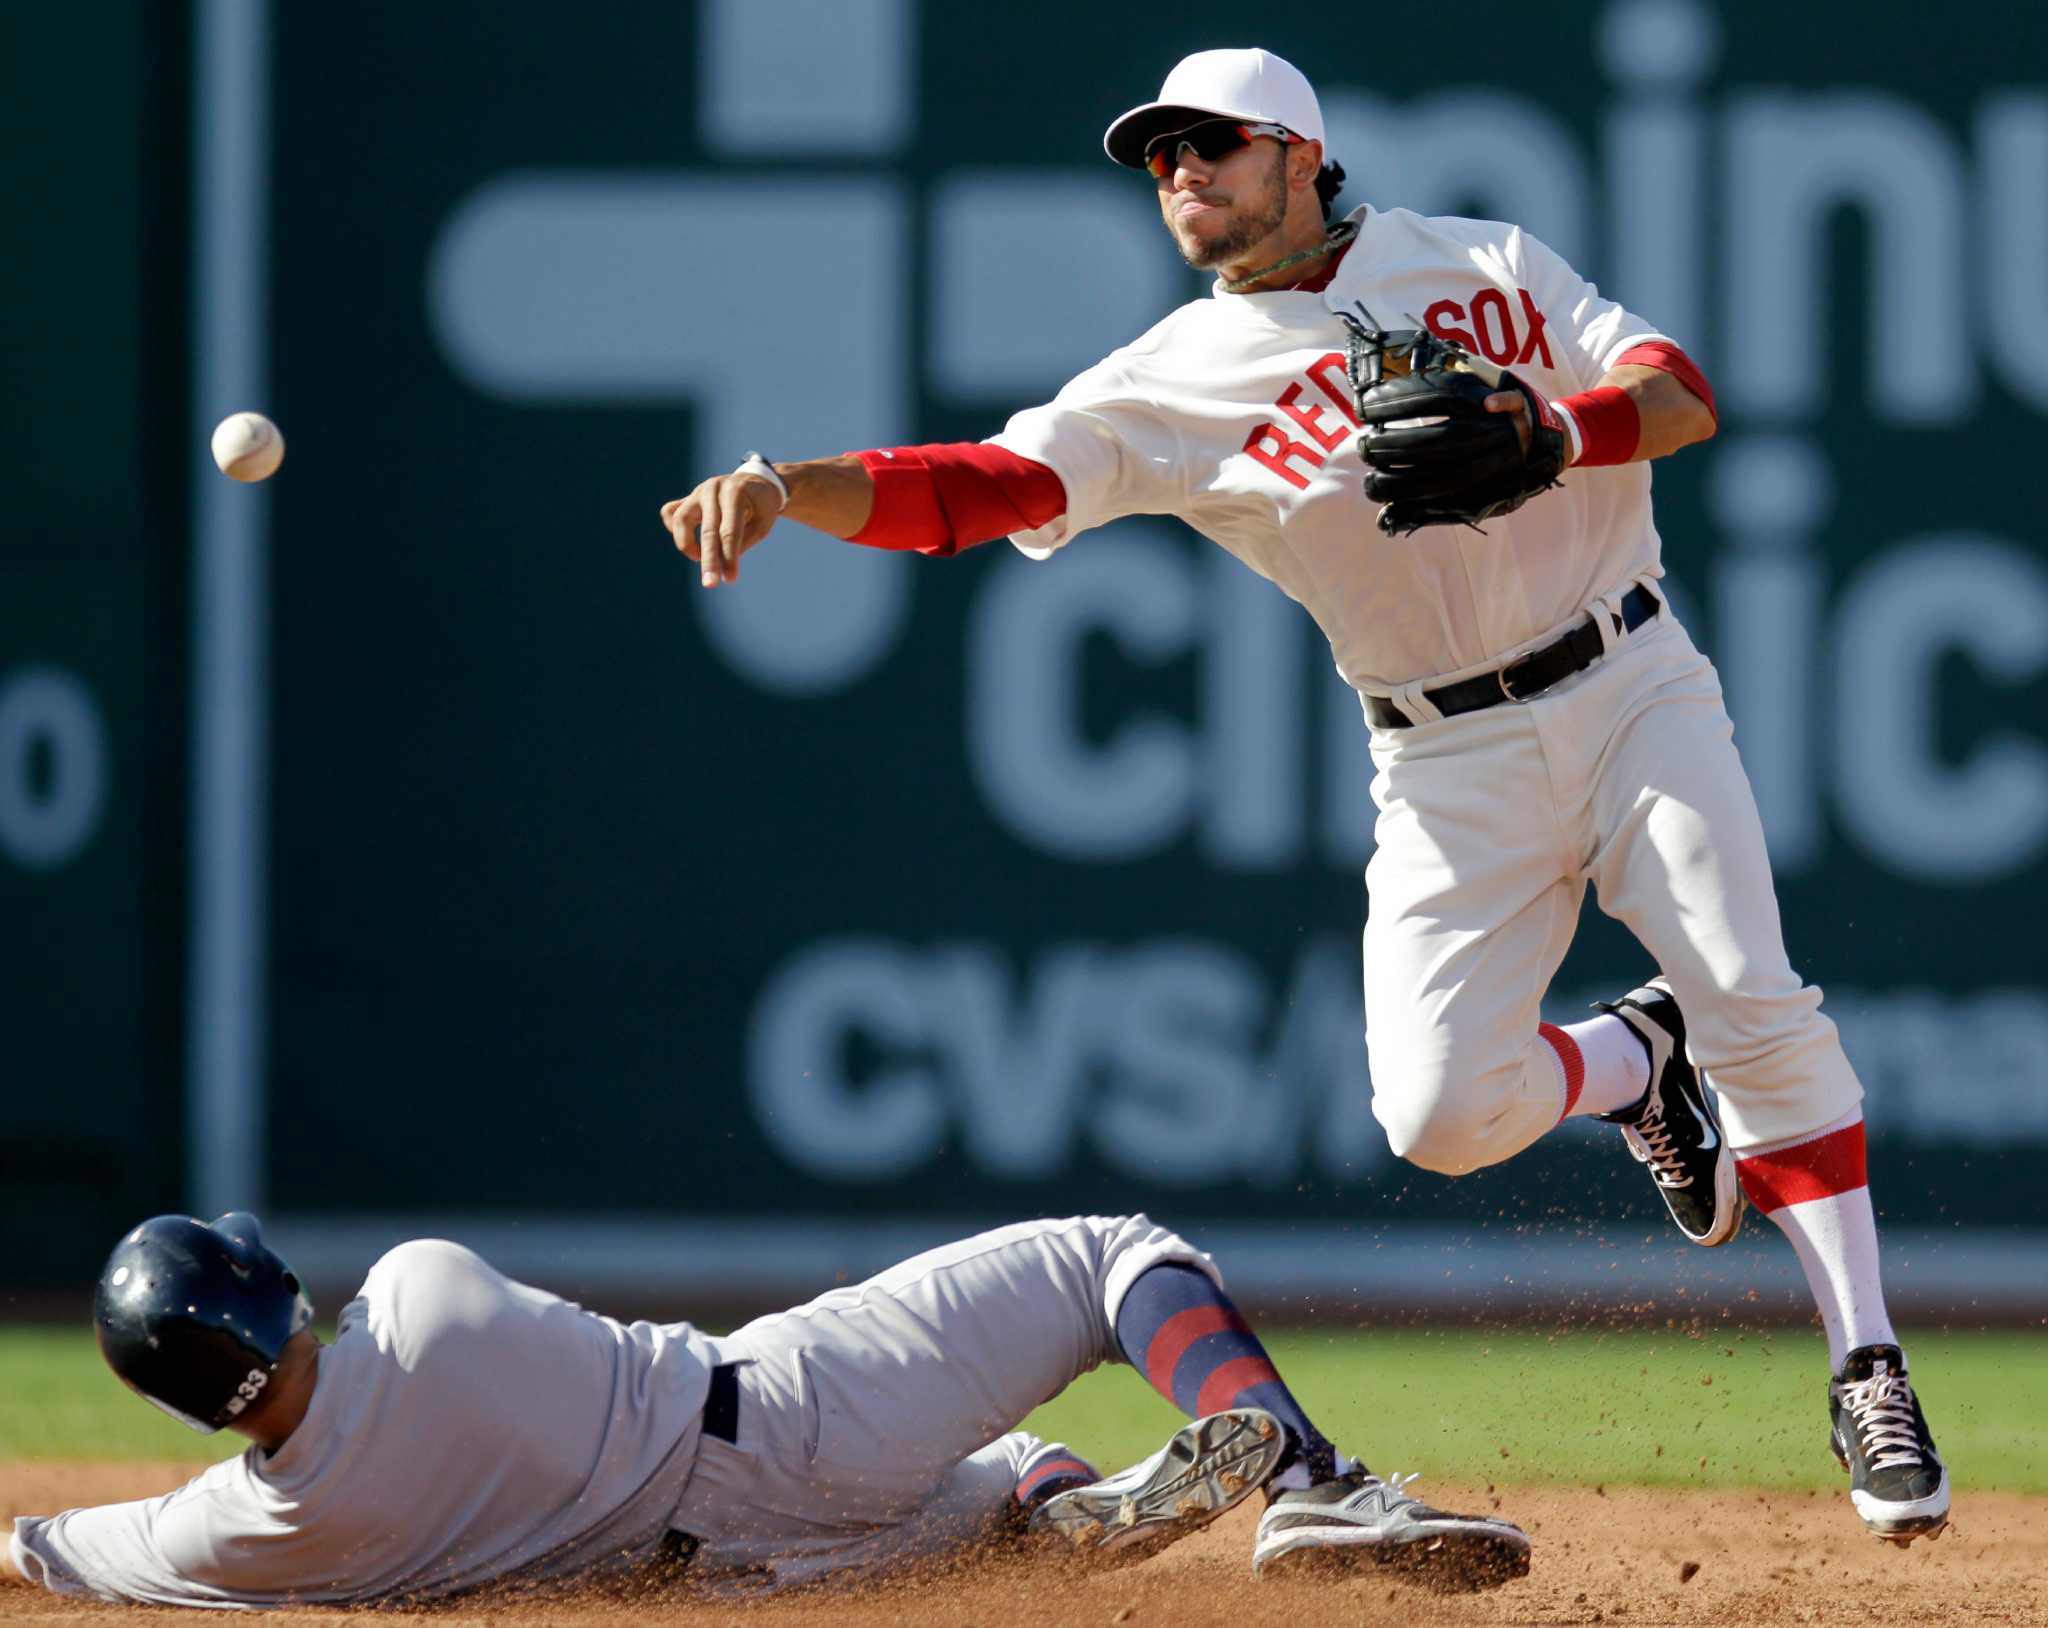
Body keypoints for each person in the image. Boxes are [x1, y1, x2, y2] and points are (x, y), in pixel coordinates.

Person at [657, 47, 1947, 1545]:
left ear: (1299, 154)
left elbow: (1678, 394)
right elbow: (981, 490)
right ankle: (1630, 1067)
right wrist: (794, 484)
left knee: (1754, 996)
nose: (1181, 174)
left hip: (1633, 683)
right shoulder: (1170, 379)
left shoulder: (1481, 259)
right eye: (1160, 158)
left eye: (1212, 146)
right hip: (1443, 756)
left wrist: (1549, 433)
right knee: (1438, 1114)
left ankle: (1866, 1364)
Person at [3, 1210, 1528, 1606]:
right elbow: (358, 1340)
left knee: (992, 1491)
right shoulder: (417, 1294)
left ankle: (1048, 1517)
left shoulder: (254, 1531)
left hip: (734, 1573)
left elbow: (72, 1547)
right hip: (787, 1415)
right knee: (1109, 1261)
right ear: (267, 1289)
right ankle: (1315, 1487)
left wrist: (28, 1547)